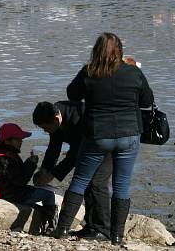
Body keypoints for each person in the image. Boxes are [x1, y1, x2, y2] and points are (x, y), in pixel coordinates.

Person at [51, 33, 154, 244]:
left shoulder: (89, 72)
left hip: (98, 135)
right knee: (122, 185)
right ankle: (116, 236)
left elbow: (72, 94)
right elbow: (147, 100)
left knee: (80, 181)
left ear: (96, 51)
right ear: (120, 51)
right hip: (129, 134)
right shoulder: (133, 72)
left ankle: (61, 231)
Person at [32, 100, 112, 240]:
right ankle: (90, 226)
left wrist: (54, 174)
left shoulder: (78, 118)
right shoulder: (53, 116)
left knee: (96, 183)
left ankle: (103, 229)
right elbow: (53, 148)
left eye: (45, 127)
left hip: (106, 143)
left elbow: (75, 154)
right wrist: (45, 170)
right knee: (87, 184)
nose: (44, 131)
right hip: (88, 148)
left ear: (56, 119)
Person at [0, 123, 58, 233]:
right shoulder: (7, 159)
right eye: (18, 139)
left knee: (39, 207)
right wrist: (31, 164)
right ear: (7, 141)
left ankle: (44, 217)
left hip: (4, 191)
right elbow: (20, 181)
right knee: (49, 195)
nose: (21, 142)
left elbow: (12, 176)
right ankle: (52, 225)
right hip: (13, 194)